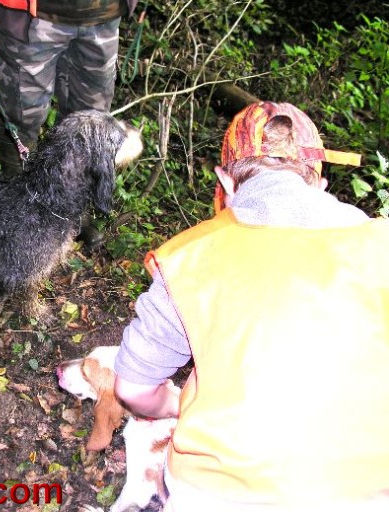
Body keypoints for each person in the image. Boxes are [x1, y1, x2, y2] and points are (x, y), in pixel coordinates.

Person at [113, 101, 389, 511]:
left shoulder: (190, 256)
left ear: (225, 180)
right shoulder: (380, 245)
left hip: (214, 492)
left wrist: (175, 404)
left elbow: (132, 388)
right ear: (320, 182)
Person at [0, 0, 139, 248]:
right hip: (36, 15)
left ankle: (71, 212)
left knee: (92, 123)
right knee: (22, 117)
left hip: (103, 15)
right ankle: (19, 209)